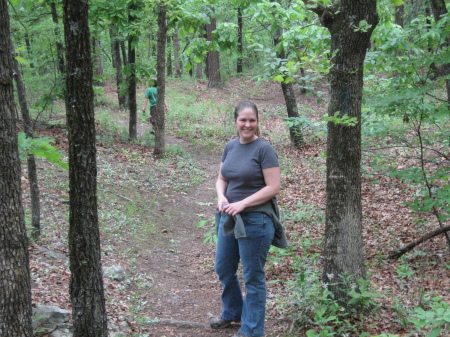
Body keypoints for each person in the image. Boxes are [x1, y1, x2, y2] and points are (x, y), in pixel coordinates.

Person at [210, 101, 288, 337]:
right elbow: (222, 178)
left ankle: (252, 330)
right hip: (229, 218)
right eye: (243, 120)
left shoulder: (264, 149)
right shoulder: (230, 146)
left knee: (253, 276)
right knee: (223, 268)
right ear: (235, 121)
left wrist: (243, 203)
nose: (247, 124)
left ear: (257, 122)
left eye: (252, 120)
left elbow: (274, 186)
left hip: (256, 220)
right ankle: (233, 311)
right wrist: (221, 197)